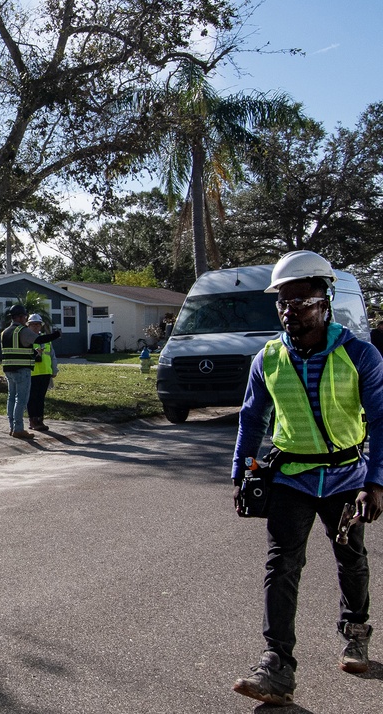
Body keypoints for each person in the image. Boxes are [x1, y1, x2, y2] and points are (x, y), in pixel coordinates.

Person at [230, 250, 383, 707]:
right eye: (282, 302)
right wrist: (242, 472)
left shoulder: (360, 354)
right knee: (282, 566)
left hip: (346, 478)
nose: (288, 310)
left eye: (300, 301)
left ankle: (355, 633)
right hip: (291, 478)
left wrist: (375, 482)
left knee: (350, 558)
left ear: (325, 300)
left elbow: (380, 419)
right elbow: (251, 420)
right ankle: (276, 665)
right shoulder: (268, 358)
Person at [1, 304, 54, 439]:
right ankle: (19, 429)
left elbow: (18, 349)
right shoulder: (22, 330)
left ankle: (12, 427)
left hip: (8, 369)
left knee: (11, 398)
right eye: (25, 316)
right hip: (22, 370)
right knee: (21, 400)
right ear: (19, 317)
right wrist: (56, 335)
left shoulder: (5, 332)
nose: (25, 318)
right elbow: (39, 339)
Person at [26, 314, 60, 432]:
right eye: (33, 324)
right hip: (32, 373)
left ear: (41, 326)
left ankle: (40, 419)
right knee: (32, 398)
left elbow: (52, 355)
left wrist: (54, 369)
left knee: (41, 398)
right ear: (28, 326)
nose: (36, 327)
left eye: (38, 324)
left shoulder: (46, 340)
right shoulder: (27, 339)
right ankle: (33, 420)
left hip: (45, 372)